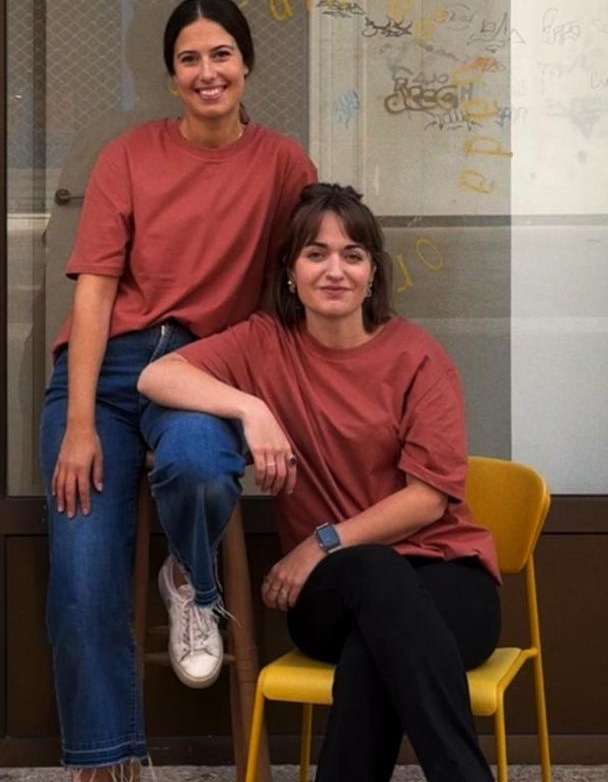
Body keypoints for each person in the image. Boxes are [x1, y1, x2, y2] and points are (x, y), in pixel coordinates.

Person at [137, 183, 500, 782]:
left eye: (353, 255)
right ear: (290, 272)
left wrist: (320, 542)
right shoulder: (263, 345)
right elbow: (158, 375)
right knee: (376, 575)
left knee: (373, 652)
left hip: (445, 576)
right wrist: (252, 410)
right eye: (317, 254)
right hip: (329, 596)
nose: (335, 270)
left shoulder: (419, 358)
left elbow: (428, 499)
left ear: (373, 274)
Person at [40, 0, 316, 779]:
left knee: (198, 464)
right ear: (171, 75)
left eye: (221, 54)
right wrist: (82, 421)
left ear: (247, 64)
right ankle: (106, 761)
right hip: (107, 367)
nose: (208, 72)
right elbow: (94, 291)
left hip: (204, 369)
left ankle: (189, 577)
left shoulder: (282, 162)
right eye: (191, 59)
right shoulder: (128, 155)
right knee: (82, 568)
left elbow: (305, 273)